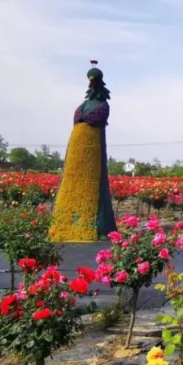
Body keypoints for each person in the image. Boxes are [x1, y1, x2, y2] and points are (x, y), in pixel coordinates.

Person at [50, 61, 117, 242]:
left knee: (95, 187)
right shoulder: (84, 104)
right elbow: (78, 118)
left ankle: (97, 228)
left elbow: (97, 118)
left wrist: (85, 120)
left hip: (93, 153)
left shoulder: (103, 105)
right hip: (76, 152)